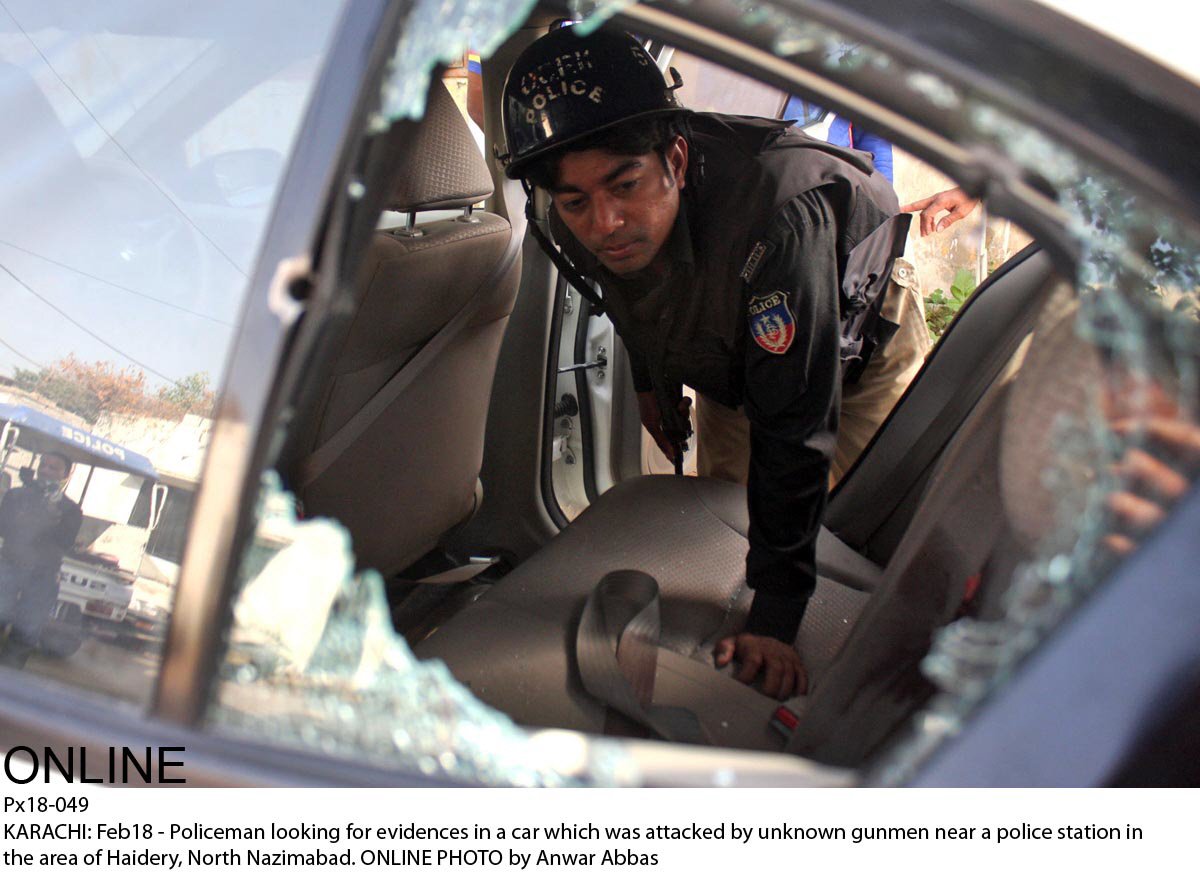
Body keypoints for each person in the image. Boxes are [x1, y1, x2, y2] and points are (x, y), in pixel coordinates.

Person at [502, 27, 917, 699]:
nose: (605, 221)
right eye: (576, 201)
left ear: (676, 158)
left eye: (625, 184)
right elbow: (630, 294)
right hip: (730, 334)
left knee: (857, 528)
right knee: (734, 506)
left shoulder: (777, 217)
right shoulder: (571, 220)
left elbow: (795, 425)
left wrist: (775, 624)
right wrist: (651, 383)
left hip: (856, 339)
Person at [0, 451, 82, 667]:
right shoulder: (17, 495)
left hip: (42, 576)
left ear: (66, 475)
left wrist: (53, 509)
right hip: (8, 566)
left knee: (26, 630)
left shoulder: (71, 510)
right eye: (43, 465)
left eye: (53, 468)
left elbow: (65, 541)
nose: (45, 470)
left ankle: (8, 681)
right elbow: (3, 527)